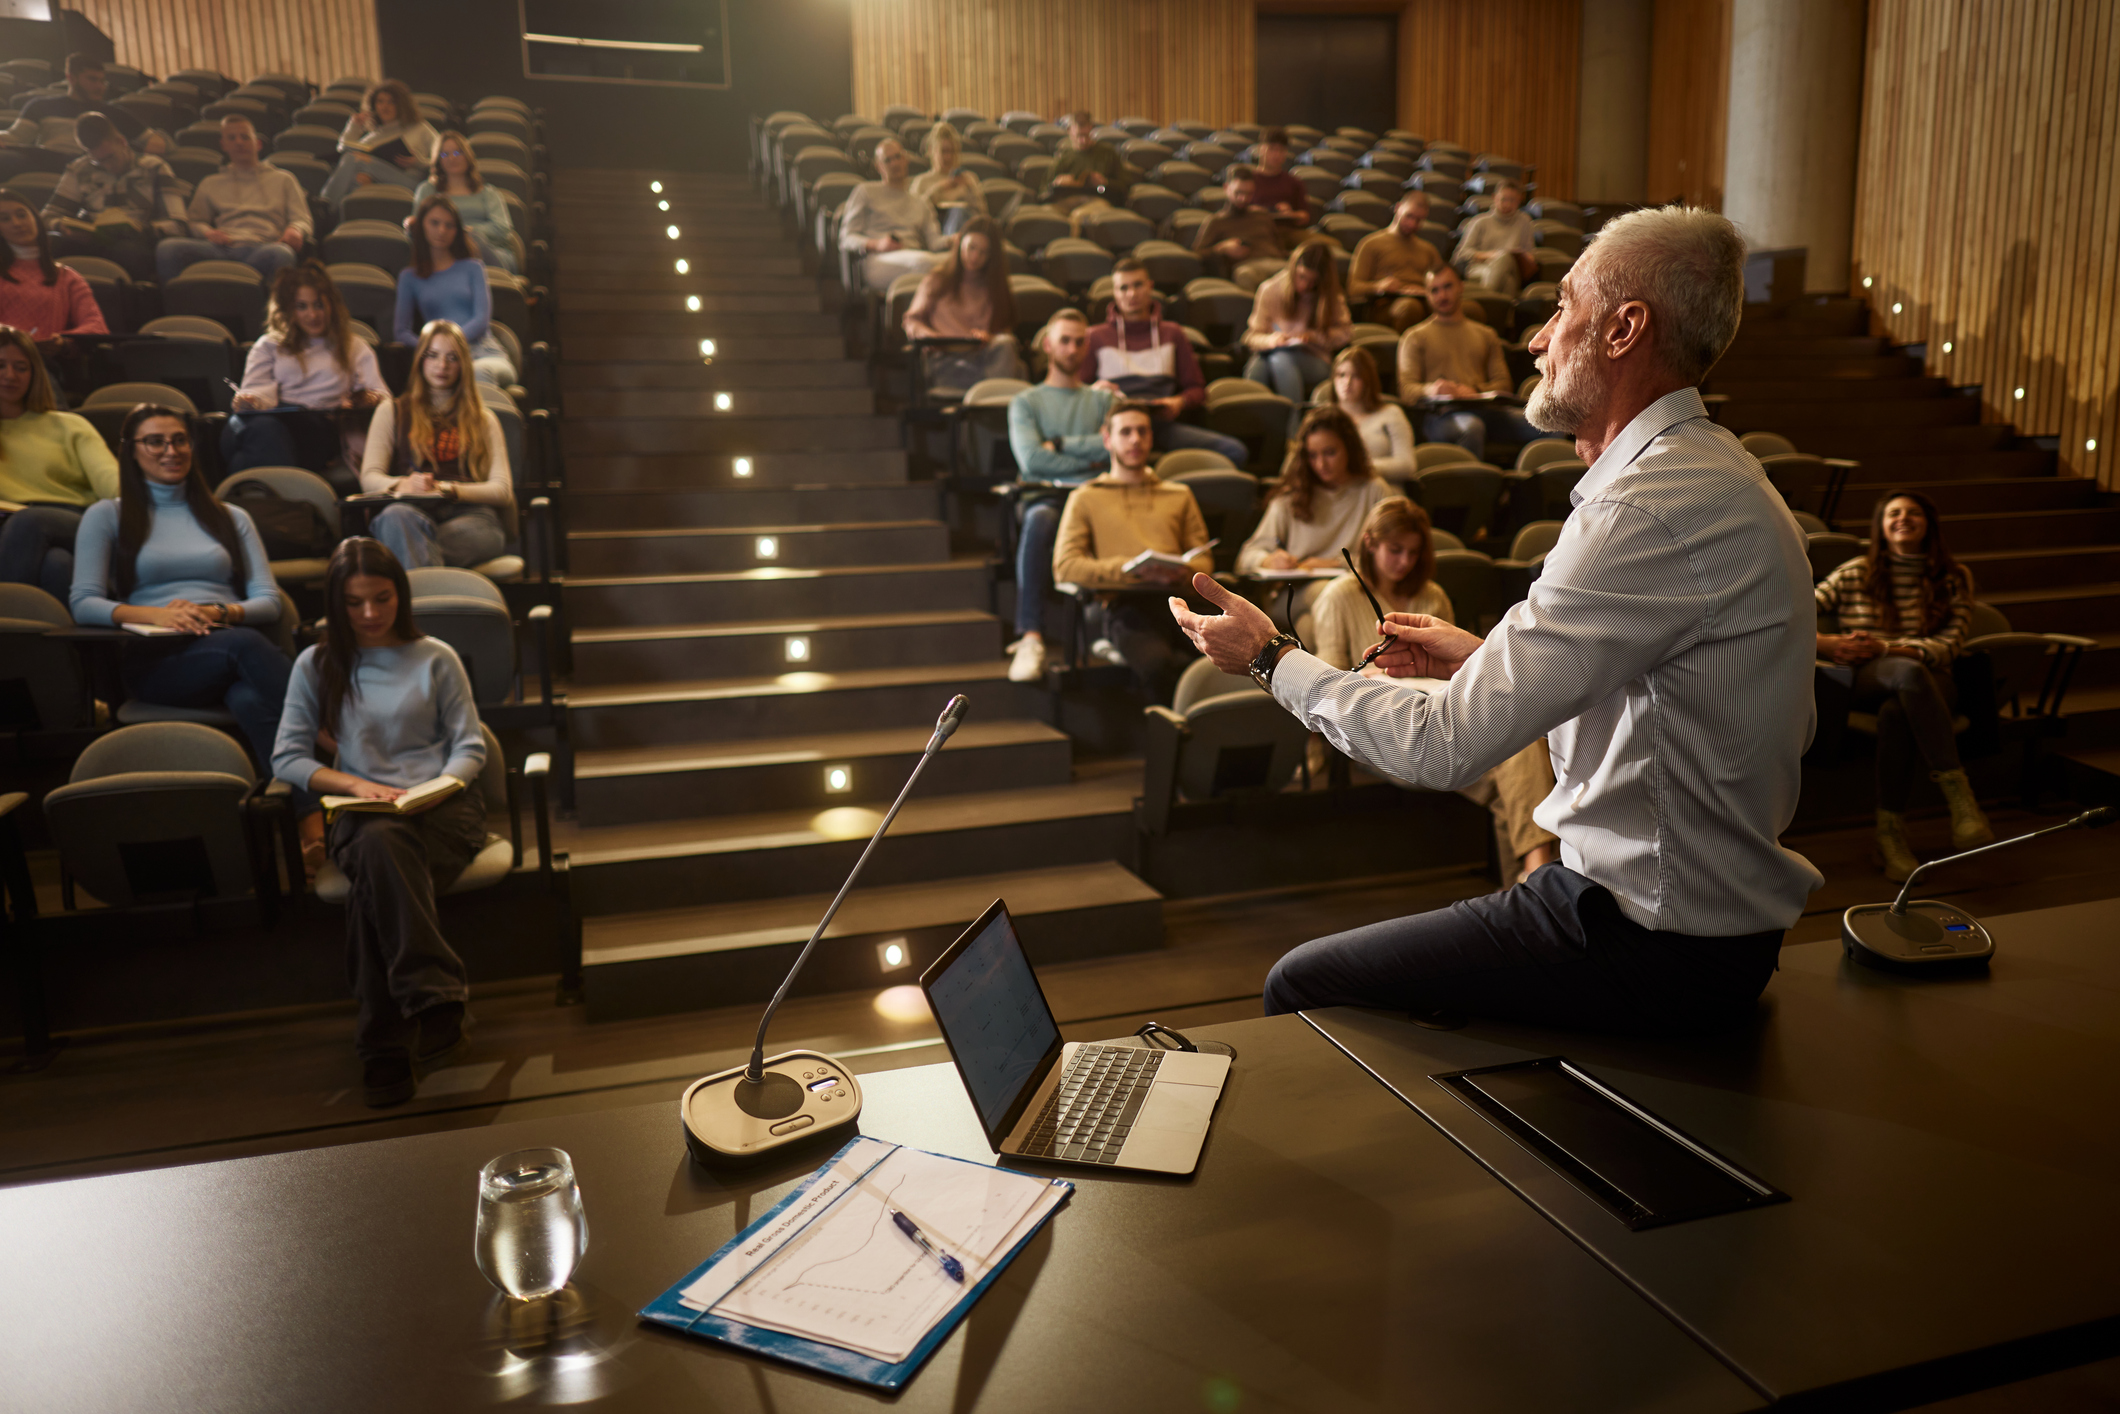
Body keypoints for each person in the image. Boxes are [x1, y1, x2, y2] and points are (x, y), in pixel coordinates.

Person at [1170, 204, 1823, 1036]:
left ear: (1625, 329)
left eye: (1561, 307)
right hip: (1705, 926)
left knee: (1301, 985)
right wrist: (1485, 658)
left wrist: (1271, 657)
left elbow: (1441, 747)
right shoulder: (1712, 475)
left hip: (1651, 940)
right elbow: (1664, 700)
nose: (1537, 339)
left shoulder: (1648, 510)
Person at [271, 536, 488, 1108]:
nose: (369, 614)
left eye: (382, 598)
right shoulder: (316, 663)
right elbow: (288, 758)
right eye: (355, 602)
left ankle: (383, 1046)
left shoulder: (435, 656)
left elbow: (470, 748)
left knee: (377, 865)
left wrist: (434, 787)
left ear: (402, 595)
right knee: (380, 844)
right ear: (336, 604)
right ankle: (435, 1001)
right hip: (363, 812)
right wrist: (355, 785)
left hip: (442, 809)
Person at [1310, 495, 1562, 883]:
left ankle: (1529, 885)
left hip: (1442, 717)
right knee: (1520, 754)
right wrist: (1367, 681)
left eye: (1413, 553)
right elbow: (1327, 686)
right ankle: (1536, 878)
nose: (1404, 562)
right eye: (1395, 550)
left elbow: (1453, 676)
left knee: (1513, 764)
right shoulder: (1339, 597)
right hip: (1380, 730)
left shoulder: (1431, 595)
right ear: (1369, 543)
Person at [68, 404, 304, 807]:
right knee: (246, 646)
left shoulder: (231, 516)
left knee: (250, 697)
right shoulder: (108, 515)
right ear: (131, 450)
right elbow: (83, 603)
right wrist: (157, 614)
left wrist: (215, 613)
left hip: (230, 642)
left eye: (179, 440)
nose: (170, 450)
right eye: (154, 441)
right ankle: (325, 732)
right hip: (160, 662)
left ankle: (306, 819)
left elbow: (268, 601)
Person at [1815, 490, 1991, 879]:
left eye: (1913, 513)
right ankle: (1959, 797)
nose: (1903, 518)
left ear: (1929, 523)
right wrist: (1830, 643)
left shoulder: (1954, 576)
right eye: (1893, 512)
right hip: (1867, 676)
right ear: (1880, 524)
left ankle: (1889, 836)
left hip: (1931, 676)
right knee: (1905, 675)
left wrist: (1889, 647)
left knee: (1899, 711)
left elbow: (1950, 644)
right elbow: (1791, 612)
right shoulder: (1855, 571)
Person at [1053, 400, 1213, 704]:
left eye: (1142, 431)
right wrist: (1129, 570)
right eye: (1125, 432)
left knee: (1230, 657)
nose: (1136, 439)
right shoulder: (1085, 497)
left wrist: (1181, 571)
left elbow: (1204, 559)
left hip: (1180, 601)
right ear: (1107, 439)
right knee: (1159, 665)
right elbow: (1065, 566)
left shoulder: (1178, 494)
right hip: (1125, 605)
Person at [1004, 310, 1113, 682]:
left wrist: (1063, 446)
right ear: (1048, 345)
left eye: (1080, 340)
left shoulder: (1101, 401)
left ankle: (1110, 630)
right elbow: (1032, 460)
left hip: (1096, 497)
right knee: (1040, 520)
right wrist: (1091, 457)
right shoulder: (1026, 402)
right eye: (1064, 340)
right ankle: (1031, 636)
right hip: (1046, 497)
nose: (1072, 348)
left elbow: (1114, 450)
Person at [360, 319, 513, 572]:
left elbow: (502, 490)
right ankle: (434, 598)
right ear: (420, 359)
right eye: (433, 356)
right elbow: (368, 478)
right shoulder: (392, 411)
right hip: (410, 512)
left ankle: (416, 589)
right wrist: (402, 484)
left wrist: (448, 489)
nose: (442, 366)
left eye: (452, 358)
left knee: (405, 544)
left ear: (463, 364)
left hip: (470, 518)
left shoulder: (484, 419)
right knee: (395, 518)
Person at [1236, 404, 1391, 640]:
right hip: (1293, 594)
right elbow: (1245, 558)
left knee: (1307, 629)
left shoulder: (1373, 490)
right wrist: (1268, 559)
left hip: (1354, 588)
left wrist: (1334, 564)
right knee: (1329, 595)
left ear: (1350, 449)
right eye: (1312, 455)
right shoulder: (1291, 496)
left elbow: (1391, 555)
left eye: (1330, 453)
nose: (1321, 464)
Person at [223, 264, 389, 481]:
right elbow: (256, 392)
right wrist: (249, 401)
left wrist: (363, 399)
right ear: (289, 310)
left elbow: (382, 398)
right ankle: (290, 499)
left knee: (244, 458)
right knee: (256, 428)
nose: (312, 315)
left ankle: (268, 498)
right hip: (272, 423)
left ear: (332, 306)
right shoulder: (269, 345)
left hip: (319, 430)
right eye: (302, 307)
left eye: (318, 305)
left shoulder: (352, 346)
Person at [1084, 258, 1247, 464]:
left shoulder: (1173, 333)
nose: (1131, 294)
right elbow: (1076, 391)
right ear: (1114, 293)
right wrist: (1094, 391)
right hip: (1118, 428)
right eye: (1123, 288)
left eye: (1138, 285)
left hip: (1160, 425)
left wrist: (1179, 402)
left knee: (1234, 451)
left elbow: (1197, 389)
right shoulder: (1096, 336)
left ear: (1150, 286)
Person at [0, 325, 118, 595]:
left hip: (74, 520)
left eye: (21, 367)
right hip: (8, 525)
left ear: (34, 374)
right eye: (0, 365)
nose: (10, 375)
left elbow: (113, 484)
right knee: (56, 565)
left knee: (30, 522)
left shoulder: (69, 425)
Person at [1398, 264, 1543, 461]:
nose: (1442, 295)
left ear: (1460, 287)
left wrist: (1473, 390)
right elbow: (1406, 390)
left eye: (1447, 287)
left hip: (1486, 411)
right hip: (1440, 416)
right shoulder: (1414, 336)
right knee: (1472, 427)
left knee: (1546, 425)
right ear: (1427, 295)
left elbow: (1503, 383)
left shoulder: (1486, 334)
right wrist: (1431, 390)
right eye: (1434, 290)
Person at [154, 116, 310, 285]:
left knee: (282, 254)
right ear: (224, 145)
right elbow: (194, 221)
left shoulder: (284, 179)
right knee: (167, 249)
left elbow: (301, 218)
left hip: (264, 246)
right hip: (221, 248)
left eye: (245, 137)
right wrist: (209, 233)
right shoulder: (210, 182)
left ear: (258, 143)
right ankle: (177, 308)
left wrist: (295, 230)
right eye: (232, 138)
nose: (239, 142)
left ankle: (276, 311)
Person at [41, 113, 188, 281]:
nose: (107, 166)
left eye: (110, 157)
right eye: (98, 161)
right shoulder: (80, 169)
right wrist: (61, 226)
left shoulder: (154, 167)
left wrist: (142, 229)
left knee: (126, 251)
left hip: (139, 242)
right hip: (93, 241)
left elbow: (178, 224)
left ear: (122, 142)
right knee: (53, 244)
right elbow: (47, 216)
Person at [394, 195, 515, 387]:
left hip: (484, 355)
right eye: (434, 223)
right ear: (422, 225)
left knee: (478, 374)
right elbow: (401, 331)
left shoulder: (473, 267)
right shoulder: (409, 277)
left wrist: (449, 344)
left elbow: (481, 319)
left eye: (449, 225)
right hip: (441, 362)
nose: (441, 230)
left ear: (456, 230)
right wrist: (434, 351)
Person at [902, 217, 1024, 392]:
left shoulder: (994, 288)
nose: (975, 257)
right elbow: (911, 320)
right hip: (946, 358)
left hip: (982, 357)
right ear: (960, 244)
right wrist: (931, 336)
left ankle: (989, 398)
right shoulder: (938, 279)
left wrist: (988, 338)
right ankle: (992, 399)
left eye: (984, 252)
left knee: (1007, 346)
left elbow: (1004, 332)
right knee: (1015, 374)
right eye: (971, 248)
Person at [1243, 240, 1351, 416]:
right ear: (1293, 269)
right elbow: (1251, 337)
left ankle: (1292, 431)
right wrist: (1272, 340)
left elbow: (1346, 333)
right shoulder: (1270, 289)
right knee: (1257, 367)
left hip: (1315, 357)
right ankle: (1257, 426)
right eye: (1301, 277)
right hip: (1274, 351)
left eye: (1313, 282)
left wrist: (1314, 336)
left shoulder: (1331, 295)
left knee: (1280, 359)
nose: (1305, 285)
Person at [0, 191, 107, 354]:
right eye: (5, 219)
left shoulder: (67, 277)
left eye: (22, 215)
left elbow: (97, 326)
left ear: (35, 218)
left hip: (47, 362)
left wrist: (63, 340)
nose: (17, 223)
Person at [838, 138, 943, 295]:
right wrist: (876, 244)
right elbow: (846, 238)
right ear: (878, 166)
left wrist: (958, 240)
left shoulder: (921, 201)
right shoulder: (865, 191)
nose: (894, 163)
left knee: (959, 262)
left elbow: (935, 242)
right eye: (887, 160)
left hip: (915, 255)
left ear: (906, 159)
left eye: (898, 157)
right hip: (879, 259)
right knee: (924, 264)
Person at [320, 80, 440, 209]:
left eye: (391, 102)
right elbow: (343, 149)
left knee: (354, 159)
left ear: (402, 105)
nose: (385, 106)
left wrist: (418, 162)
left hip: (412, 182)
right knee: (356, 179)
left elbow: (443, 158)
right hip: (382, 182)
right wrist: (353, 126)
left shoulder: (420, 128)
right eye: (380, 101)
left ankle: (324, 206)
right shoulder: (374, 135)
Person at [410, 132, 517, 273]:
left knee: (472, 239)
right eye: (444, 154)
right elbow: (417, 228)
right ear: (438, 161)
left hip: (491, 251)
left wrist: (465, 232)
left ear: (467, 155)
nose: (452, 158)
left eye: (457, 152)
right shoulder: (427, 190)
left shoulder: (488, 193)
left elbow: (502, 229)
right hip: (441, 251)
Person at [1348, 192, 1443, 329]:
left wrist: (1426, 290)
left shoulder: (1428, 249)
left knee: (1469, 308)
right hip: (1386, 305)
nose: (1412, 224)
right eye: (1409, 216)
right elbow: (1353, 288)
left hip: (1423, 301)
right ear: (1397, 208)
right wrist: (1379, 286)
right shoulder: (1371, 243)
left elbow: (1442, 282)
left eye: (1419, 220)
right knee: (1411, 307)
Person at [1192, 166, 1295, 291]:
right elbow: (1197, 255)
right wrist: (1221, 248)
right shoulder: (1216, 221)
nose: (1243, 199)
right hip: (1248, 268)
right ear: (1226, 188)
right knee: (1246, 276)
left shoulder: (1261, 215)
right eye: (1238, 193)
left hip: (1277, 263)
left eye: (1249, 194)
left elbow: (1280, 246)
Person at [1326, 345, 1414, 480]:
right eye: (1341, 375)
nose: (1347, 382)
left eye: (1355, 376)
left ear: (1368, 380)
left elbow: (1407, 466)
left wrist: (1358, 468)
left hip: (1383, 489)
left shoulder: (1391, 413)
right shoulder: (1324, 418)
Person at [16, 52, 145, 143]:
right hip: (47, 164)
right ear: (71, 78)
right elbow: (15, 137)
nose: (100, 87)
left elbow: (154, 141)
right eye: (93, 80)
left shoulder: (114, 113)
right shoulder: (41, 106)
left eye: (102, 81)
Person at [1044, 111, 1130, 225]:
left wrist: (1105, 183)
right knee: (1047, 213)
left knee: (1079, 216)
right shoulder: (1064, 156)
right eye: (1079, 136)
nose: (1083, 140)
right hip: (1067, 199)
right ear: (1070, 131)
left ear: (1091, 129)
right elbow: (1044, 189)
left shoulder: (1107, 153)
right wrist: (1058, 183)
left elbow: (1124, 187)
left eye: (1086, 135)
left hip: (1098, 199)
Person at [1455, 180, 1536, 296]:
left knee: (1506, 261)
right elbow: (1462, 253)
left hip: (1513, 269)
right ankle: (1494, 303)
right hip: (1479, 267)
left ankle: (1487, 299)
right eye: (1503, 199)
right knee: (1508, 281)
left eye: (1512, 200)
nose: (1507, 204)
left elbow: (1531, 254)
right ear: (1494, 198)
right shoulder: (1479, 221)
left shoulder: (1525, 222)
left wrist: (1520, 256)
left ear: (1519, 201)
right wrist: (1494, 255)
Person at [909, 122, 987, 233]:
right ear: (932, 150)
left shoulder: (968, 178)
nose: (948, 157)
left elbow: (982, 213)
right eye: (943, 151)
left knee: (961, 213)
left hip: (967, 229)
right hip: (935, 230)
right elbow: (914, 213)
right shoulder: (922, 181)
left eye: (952, 151)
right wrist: (938, 188)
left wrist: (969, 188)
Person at [1247, 128, 1311, 228]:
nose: (1277, 155)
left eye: (1281, 150)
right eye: (1272, 149)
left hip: (1287, 231)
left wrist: (1291, 214)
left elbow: (1305, 216)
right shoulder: (1248, 180)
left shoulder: (1294, 182)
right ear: (1261, 149)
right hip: (1256, 231)